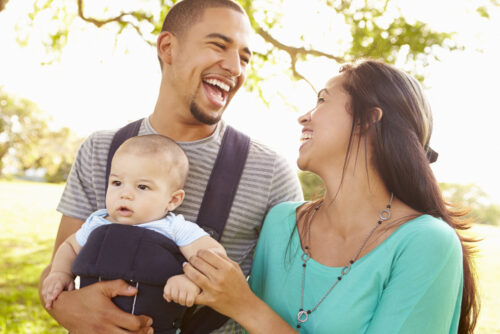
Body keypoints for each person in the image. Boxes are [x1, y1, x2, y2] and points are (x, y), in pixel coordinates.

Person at [38, 0, 303, 333]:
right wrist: (66, 308)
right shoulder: (100, 148)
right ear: (168, 47)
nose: (235, 67)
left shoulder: (271, 171)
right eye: (219, 45)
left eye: (245, 58)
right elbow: (58, 270)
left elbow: (293, 305)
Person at [183, 60, 480, 334]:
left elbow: (250, 314)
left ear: (367, 119)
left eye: (322, 100)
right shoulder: (280, 223)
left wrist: (245, 306)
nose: (304, 117)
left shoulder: (425, 243)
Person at [41, 134, 226, 332]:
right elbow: (69, 246)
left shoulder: (174, 228)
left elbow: (215, 255)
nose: (125, 194)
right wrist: (60, 272)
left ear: (173, 200)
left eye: (142, 187)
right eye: (117, 183)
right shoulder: (96, 222)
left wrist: (189, 280)